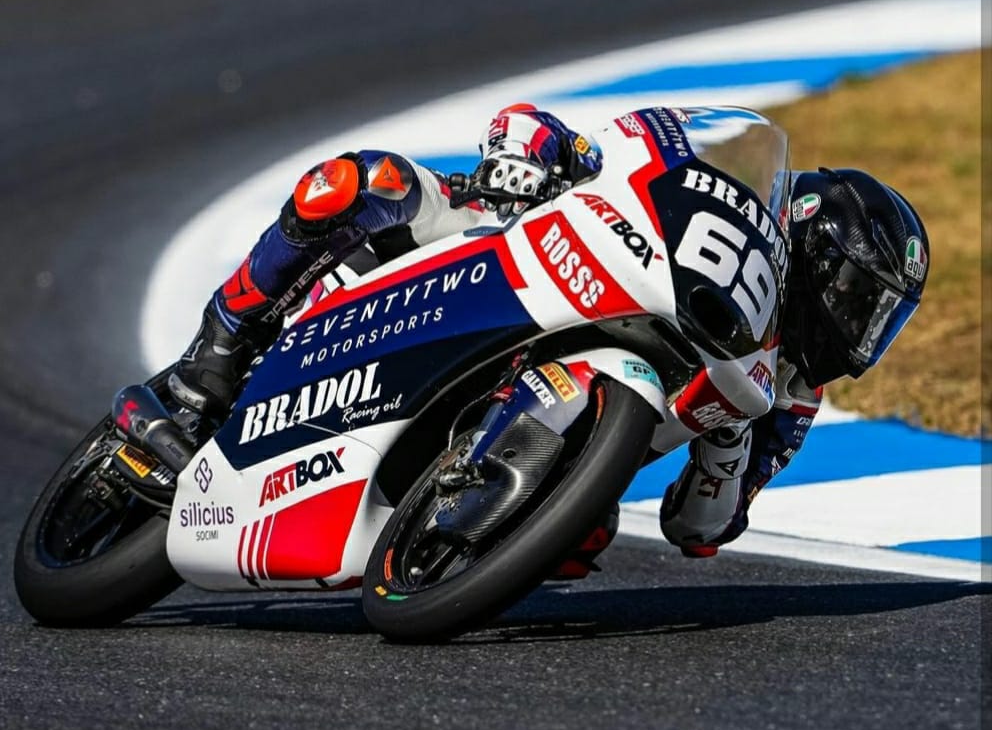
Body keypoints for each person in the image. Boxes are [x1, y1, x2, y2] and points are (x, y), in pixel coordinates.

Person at [166, 104, 929, 561]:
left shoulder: (790, 396)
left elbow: (699, 529)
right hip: (498, 251)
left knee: (582, 539)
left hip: (563, 451)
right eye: (861, 298)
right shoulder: (718, 201)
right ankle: (220, 346)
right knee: (367, 183)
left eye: (880, 316)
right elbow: (554, 130)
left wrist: (728, 446)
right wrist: (524, 160)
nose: (861, 327)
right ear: (811, 249)